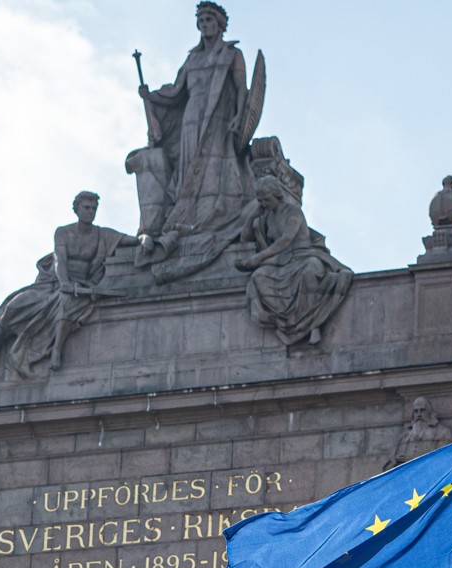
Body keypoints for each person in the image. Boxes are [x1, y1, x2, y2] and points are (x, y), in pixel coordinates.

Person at [136, 2, 252, 257]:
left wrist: (239, 117)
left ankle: (212, 215)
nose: (204, 25)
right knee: (190, 165)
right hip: (192, 117)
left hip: (219, 116)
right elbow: (177, 92)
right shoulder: (192, 59)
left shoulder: (232, 54)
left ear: (220, 24)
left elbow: (242, 88)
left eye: (208, 20)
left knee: (216, 166)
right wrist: (151, 95)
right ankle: (187, 214)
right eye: (200, 22)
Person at [237, 176, 352, 345]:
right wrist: (252, 216)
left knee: (309, 274)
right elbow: (244, 238)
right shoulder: (266, 217)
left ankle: (313, 325)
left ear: (276, 194)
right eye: (261, 201)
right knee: (257, 277)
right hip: (281, 262)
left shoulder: (293, 212)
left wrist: (257, 258)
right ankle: (283, 321)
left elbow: (285, 240)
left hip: (303, 256)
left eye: (267, 200)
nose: (265, 204)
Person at [50, 191, 134, 370]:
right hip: (61, 282)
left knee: (73, 301)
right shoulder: (63, 232)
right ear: (77, 209)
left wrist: (144, 238)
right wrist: (64, 282)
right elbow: (60, 260)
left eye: (94, 209)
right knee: (66, 300)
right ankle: (56, 350)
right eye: (86, 208)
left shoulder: (101, 234)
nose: (90, 212)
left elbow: (127, 240)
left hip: (86, 285)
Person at [384, 397, 452, 470]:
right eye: (416, 411)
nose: (419, 414)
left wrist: (411, 460)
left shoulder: (443, 432)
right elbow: (388, 466)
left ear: (429, 412)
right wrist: (396, 462)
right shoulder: (403, 437)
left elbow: (444, 459)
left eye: (422, 410)